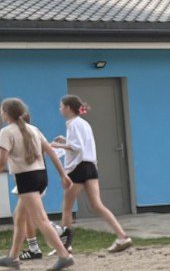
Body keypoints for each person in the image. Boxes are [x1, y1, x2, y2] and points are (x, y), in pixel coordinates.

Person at [0, 97, 74, 271]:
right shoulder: (33, 129)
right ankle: (13, 257)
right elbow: (51, 152)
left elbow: (1, 161)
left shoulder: (7, 132)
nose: (1, 114)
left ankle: (64, 256)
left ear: (6, 113)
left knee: (40, 219)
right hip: (41, 176)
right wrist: (62, 174)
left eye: (2, 111)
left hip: (26, 179)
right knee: (19, 216)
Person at [52, 96, 133, 254]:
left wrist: (56, 145)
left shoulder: (72, 124)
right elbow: (80, 145)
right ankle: (122, 236)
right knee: (97, 205)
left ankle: (65, 245)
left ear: (68, 108)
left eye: (61, 106)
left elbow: (77, 147)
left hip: (78, 168)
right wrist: (65, 141)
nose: (60, 109)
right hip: (90, 166)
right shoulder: (84, 123)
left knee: (67, 207)